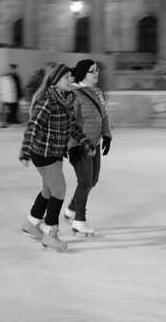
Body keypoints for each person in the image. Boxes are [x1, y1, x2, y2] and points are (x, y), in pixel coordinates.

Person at [19, 63, 94, 251]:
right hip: (43, 153)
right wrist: (25, 151)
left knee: (49, 190)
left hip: (56, 152)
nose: (71, 80)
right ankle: (51, 234)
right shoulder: (47, 101)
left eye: (71, 77)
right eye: (67, 77)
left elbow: (72, 127)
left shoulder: (66, 99)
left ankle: (30, 223)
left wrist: (85, 141)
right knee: (59, 190)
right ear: (56, 81)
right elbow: (33, 127)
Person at [62, 59, 113, 236]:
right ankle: (79, 221)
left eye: (97, 70)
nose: (96, 73)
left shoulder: (97, 92)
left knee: (93, 179)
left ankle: (70, 210)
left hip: (95, 143)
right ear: (84, 73)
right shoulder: (73, 93)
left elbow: (104, 115)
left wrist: (107, 135)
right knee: (85, 180)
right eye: (93, 71)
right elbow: (68, 122)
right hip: (79, 144)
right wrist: (67, 144)